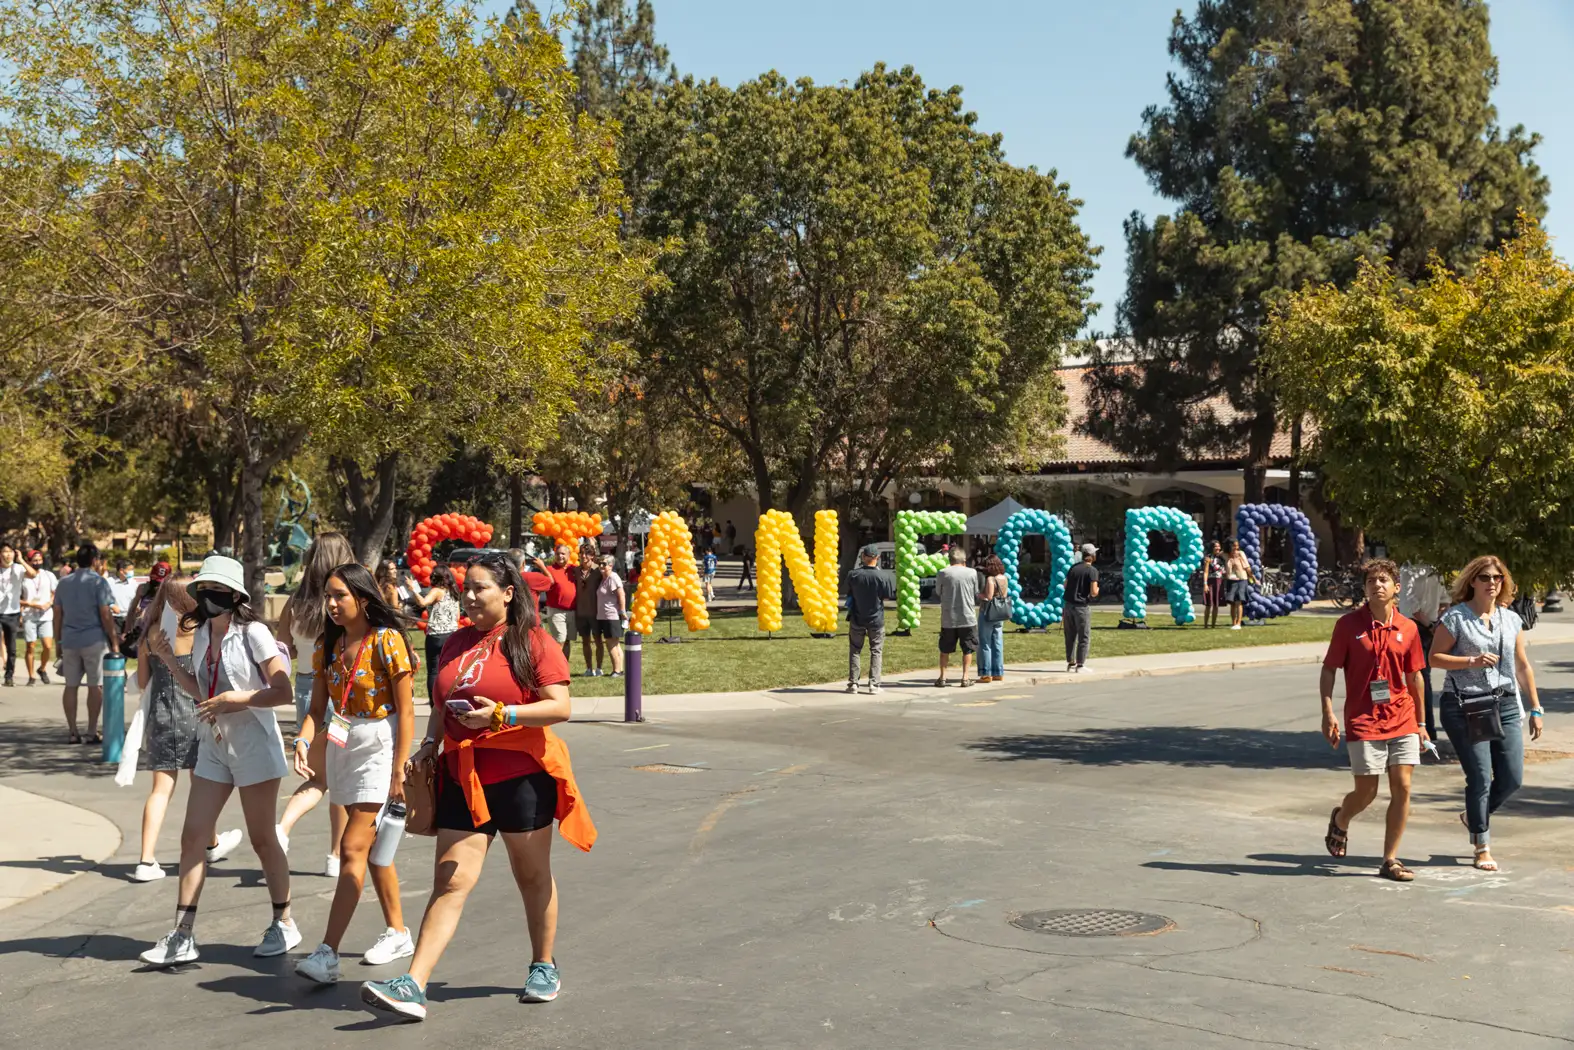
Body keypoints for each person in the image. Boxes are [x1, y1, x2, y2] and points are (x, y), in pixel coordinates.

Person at [360, 551, 595, 1021]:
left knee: (530, 876)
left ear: (508, 594)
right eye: (465, 587)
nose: (468, 596)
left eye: (479, 588)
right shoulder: (453, 643)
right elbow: (442, 705)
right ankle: (414, 983)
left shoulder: (532, 641)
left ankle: (543, 964)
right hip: (462, 777)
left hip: (521, 776)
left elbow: (560, 706)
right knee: (449, 880)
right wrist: (429, 745)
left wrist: (502, 715)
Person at [139, 555, 298, 967]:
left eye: (216, 590)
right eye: (203, 590)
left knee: (263, 839)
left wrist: (237, 699)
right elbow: (200, 690)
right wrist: (169, 660)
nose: (207, 597)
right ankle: (182, 933)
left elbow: (283, 691)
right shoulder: (205, 633)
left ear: (234, 595)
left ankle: (284, 921)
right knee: (193, 836)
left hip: (254, 745)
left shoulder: (255, 633)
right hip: (214, 743)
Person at [293, 564, 417, 983]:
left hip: (379, 748)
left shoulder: (387, 641)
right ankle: (399, 932)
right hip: (344, 746)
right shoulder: (328, 646)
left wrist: (401, 768)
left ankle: (327, 953)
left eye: (339, 595)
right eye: (327, 595)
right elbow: (315, 712)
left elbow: (406, 711)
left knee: (352, 848)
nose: (330, 604)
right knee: (376, 852)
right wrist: (303, 740)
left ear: (363, 598)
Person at [1429, 555, 1543, 873]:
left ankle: (1473, 816)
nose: (1492, 582)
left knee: (1511, 778)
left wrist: (1535, 707)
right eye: (1484, 577)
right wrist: (1471, 662)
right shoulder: (1456, 618)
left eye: (1497, 577)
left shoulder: (1511, 619)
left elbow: (1521, 665)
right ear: (1472, 582)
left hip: (1505, 704)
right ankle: (1482, 844)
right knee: (1480, 776)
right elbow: (1434, 658)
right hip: (1465, 705)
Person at [1319, 559, 1429, 882]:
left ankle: (1390, 859)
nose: (1377, 585)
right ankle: (1341, 818)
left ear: (1396, 587)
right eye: (1371, 581)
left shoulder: (1408, 629)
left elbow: (1416, 678)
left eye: (1383, 580)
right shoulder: (1348, 625)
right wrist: (1327, 711)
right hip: (1364, 719)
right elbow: (1329, 670)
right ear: (1365, 588)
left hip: (1402, 717)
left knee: (1403, 787)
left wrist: (1422, 724)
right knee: (1366, 791)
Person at [131, 575, 243, 882]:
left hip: (161, 715)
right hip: (196, 713)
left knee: (160, 789)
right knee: (202, 785)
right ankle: (208, 843)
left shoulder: (152, 632)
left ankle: (146, 859)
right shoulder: (200, 631)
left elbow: (142, 682)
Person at [275, 531, 358, 876]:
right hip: (340, 695)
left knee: (320, 772)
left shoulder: (296, 601)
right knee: (336, 774)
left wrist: (297, 650)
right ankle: (335, 855)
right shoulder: (346, 599)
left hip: (308, 690)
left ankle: (284, 826)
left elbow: (282, 647)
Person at [53, 544, 118, 744]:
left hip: (70, 640)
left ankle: (72, 731)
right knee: (94, 685)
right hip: (93, 640)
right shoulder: (99, 582)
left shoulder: (63, 583)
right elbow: (105, 614)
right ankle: (91, 730)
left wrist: (58, 640)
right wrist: (114, 641)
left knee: (70, 685)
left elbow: (57, 614)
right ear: (94, 560)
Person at [845, 544, 896, 694]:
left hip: (857, 617)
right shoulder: (882, 576)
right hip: (876, 619)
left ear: (863, 557)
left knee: (855, 650)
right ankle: (874, 684)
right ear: (877, 558)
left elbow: (849, 592)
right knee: (876, 651)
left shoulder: (853, 575)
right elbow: (887, 595)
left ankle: (853, 683)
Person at [413, 564, 460, 700]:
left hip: (436, 635)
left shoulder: (437, 591)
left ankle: (434, 701)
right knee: (450, 668)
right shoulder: (454, 592)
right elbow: (457, 616)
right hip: (452, 634)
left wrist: (413, 590)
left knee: (433, 671)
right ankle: (449, 697)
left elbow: (423, 603)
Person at [934, 547, 979, 687]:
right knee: (968, 648)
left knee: (944, 649)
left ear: (950, 560)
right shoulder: (972, 572)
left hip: (948, 617)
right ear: (964, 561)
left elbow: (937, 591)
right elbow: (975, 591)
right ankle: (965, 677)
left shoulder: (943, 573)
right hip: (967, 617)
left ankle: (942, 677)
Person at [0, 542, 39, 687]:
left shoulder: (18, 568)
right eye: (4, 551)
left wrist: (21, 560)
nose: (8, 554)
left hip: (12, 613)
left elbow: (33, 574)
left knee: (12, 648)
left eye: (10, 551)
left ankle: (9, 676)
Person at [532, 545, 577, 661]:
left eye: (563, 554)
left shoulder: (574, 569)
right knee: (559, 640)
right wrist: (542, 567)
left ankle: (564, 667)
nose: (560, 556)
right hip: (556, 611)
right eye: (558, 554)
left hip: (572, 611)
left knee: (567, 641)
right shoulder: (549, 570)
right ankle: (554, 668)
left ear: (569, 555)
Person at [20, 550, 57, 685]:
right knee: (31, 646)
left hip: (46, 615)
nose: (37, 563)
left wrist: (50, 603)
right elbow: (16, 598)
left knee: (47, 646)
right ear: (28, 561)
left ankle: (42, 668)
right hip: (29, 615)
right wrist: (29, 604)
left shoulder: (49, 575)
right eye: (34, 560)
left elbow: (54, 592)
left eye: (39, 560)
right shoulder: (22, 577)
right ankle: (31, 676)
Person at [1063, 544, 1100, 673]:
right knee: (1083, 636)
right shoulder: (1092, 571)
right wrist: (1098, 590)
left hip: (1068, 605)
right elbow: (1094, 591)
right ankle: (1080, 665)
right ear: (1092, 556)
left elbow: (1065, 585)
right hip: (1081, 606)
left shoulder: (1073, 568)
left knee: (1070, 635)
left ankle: (1071, 662)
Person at [976, 555, 1010, 683]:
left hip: (988, 612)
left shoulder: (991, 579)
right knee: (997, 642)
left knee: (985, 643)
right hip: (1000, 613)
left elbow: (989, 597)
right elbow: (1004, 594)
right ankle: (998, 672)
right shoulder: (1004, 578)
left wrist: (979, 595)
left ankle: (986, 673)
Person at [593, 554, 626, 677]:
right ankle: (620, 670)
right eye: (600, 563)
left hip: (611, 616)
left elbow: (621, 595)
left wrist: (622, 611)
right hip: (604, 616)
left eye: (604, 564)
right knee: (615, 644)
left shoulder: (613, 577)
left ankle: (616, 670)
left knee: (611, 644)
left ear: (611, 566)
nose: (601, 565)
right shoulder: (604, 578)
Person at [573, 542, 603, 676]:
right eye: (582, 553)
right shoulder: (575, 570)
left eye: (587, 553)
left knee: (598, 640)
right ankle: (589, 668)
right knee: (585, 641)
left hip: (596, 612)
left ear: (592, 556)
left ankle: (599, 668)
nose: (584, 556)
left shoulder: (598, 570)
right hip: (581, 611)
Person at [1224, 539, 1255, 630]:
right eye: (1234, 546)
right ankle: (1233, 623)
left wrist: (1253, 578)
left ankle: (1238, 623)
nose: (1236, 548)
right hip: (1231, 580)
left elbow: (1247, 566)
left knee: (1239, 601)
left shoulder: (1241, 554)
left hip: (1241, 579)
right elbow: (1216, 554)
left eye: (1237, 546)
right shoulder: (1226, 555)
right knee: (1232, 602)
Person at [1201, 540, 1225, 629]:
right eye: (1216, 546)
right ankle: (1206, 625)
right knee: (1208, 605)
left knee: (1216, 605)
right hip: (1210, 582)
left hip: (1219, 582)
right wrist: (1205, 584)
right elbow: (1206, 572)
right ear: (1212, 548)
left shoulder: (1222, 558)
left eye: (1219, 546)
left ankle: (1213, 625)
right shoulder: (1208, 558)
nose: (1218, 548)